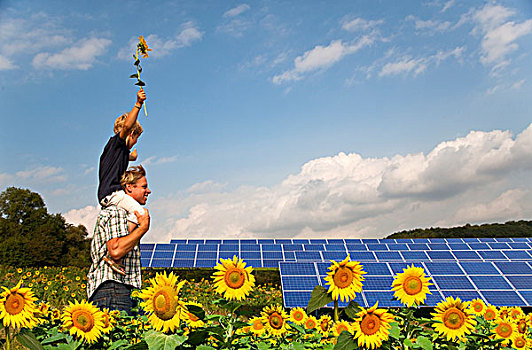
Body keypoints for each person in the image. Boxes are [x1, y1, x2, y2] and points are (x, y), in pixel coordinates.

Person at [87, 165, 151, 314]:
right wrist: (143, 228)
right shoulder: (117, 212)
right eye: (144, 187)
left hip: (123, 289)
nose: (148, 191)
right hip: (113, 288)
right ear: (129, 187)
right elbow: (115, 250)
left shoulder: (128, 216)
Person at [98, 88, 146, 274]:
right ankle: (114, 251)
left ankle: (115, 246)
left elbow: (123, 158)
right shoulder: (116, 143)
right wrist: (138, 104)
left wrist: (131, 157)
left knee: (132, 215)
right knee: (140, 214)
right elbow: (126, 127)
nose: (135, 142)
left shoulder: (119, 152)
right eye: (136, 138)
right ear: (130, 134)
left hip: (108, 194)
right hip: (112, 192)